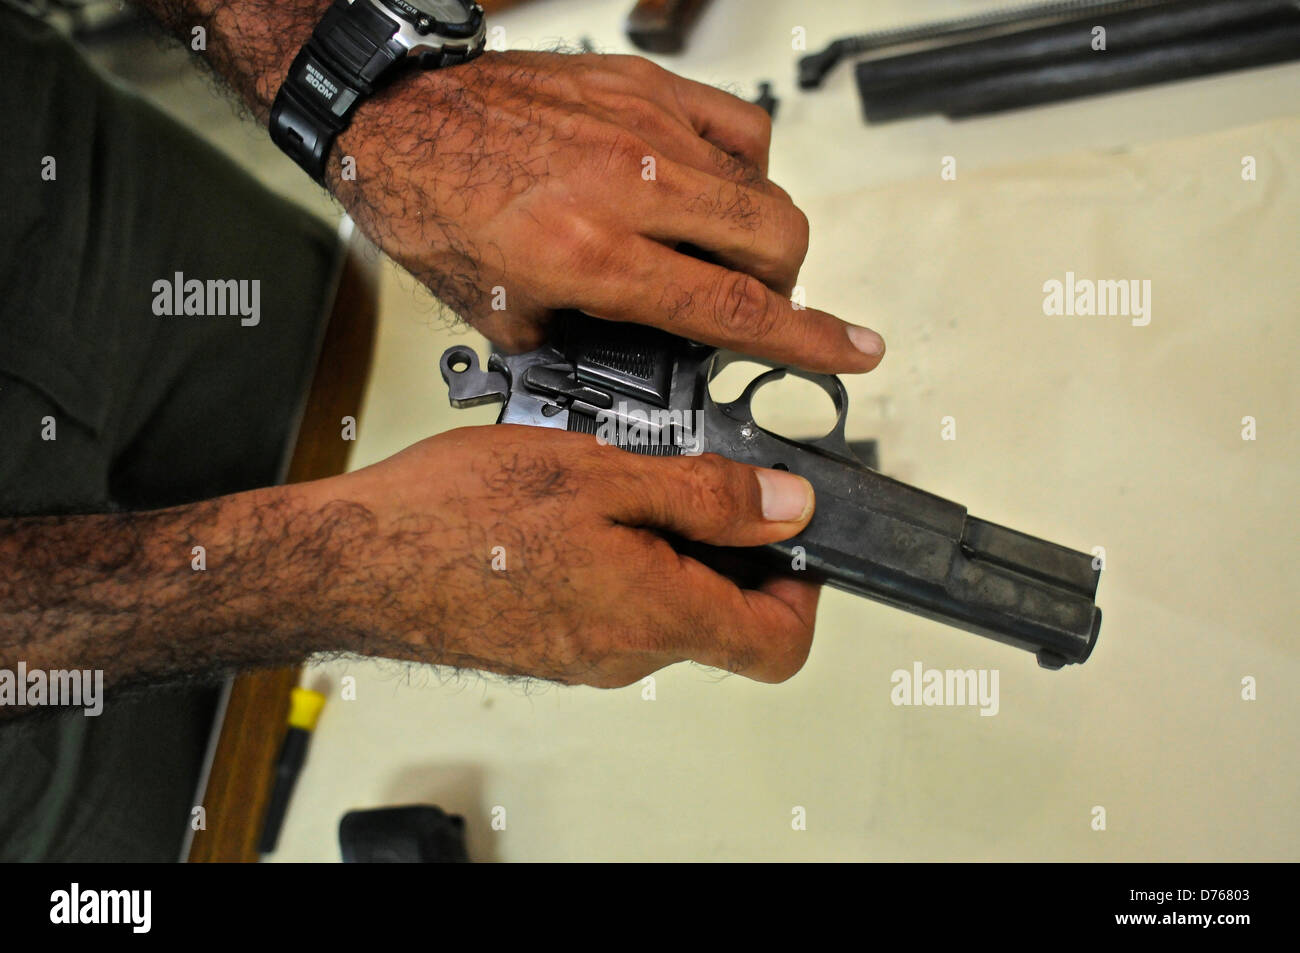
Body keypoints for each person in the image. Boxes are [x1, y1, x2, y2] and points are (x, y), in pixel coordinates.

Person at [0, 0, 885, 859]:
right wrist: (327, 571)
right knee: (228, 813)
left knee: (333, 363)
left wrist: (355, 86)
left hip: (42, 179)